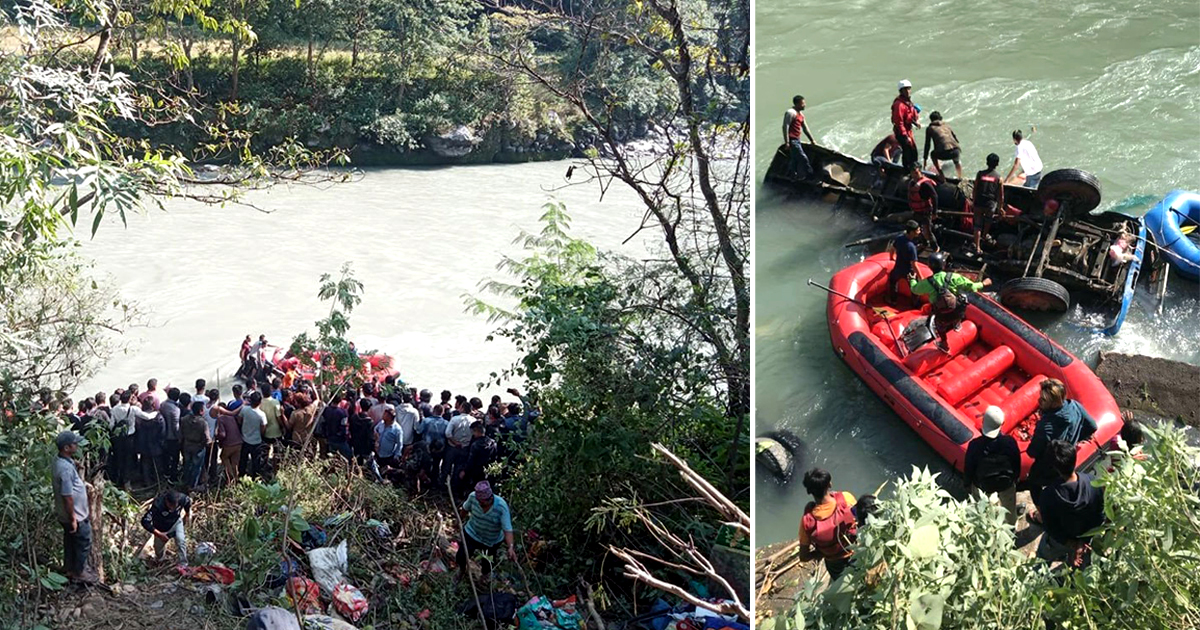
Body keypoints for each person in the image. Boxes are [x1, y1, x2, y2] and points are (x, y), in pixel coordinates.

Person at [1026, 378, 1098, 502]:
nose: (1039, 401)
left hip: (1050, 466)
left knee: (1033, 483)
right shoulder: (1075, 406)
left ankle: (1041, 510)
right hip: (1067, 457)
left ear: (1054, 403)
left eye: (1043, 399)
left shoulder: (1046, 426)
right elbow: (1092, 426)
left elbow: (1033, 452)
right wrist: (1078, 437)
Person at [1035, 440, 1105, 567]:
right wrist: (1082, 542)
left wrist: (1072, 544)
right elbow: (1099, 515)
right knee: (1081, 566)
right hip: (1084, 537)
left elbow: (1050, 527)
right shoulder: (1094, 483)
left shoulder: (1048, 495)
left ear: (1055, 467)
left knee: (1041, 561)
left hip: (1059, 541)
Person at [909, 252, 991, 352]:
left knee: (939, 326)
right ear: (943, 265)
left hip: (942, 315)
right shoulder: (954, 277)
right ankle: (957, 324)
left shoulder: (927, 283)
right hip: (958, 311)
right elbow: (972, 287)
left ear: (929, 266)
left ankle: (944, 343)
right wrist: (983, 283)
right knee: (961, 300)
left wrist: (912, 280)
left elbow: (915, 289)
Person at [963, 406, 1022, 526]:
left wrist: (967, 484)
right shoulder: (1010, 442)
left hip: (983, 485)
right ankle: (1011, 525)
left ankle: (982, 524)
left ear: (983, 422)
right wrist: (1015, 478)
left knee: (979, 506)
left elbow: (969, 468)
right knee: (1009, 507)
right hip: (1006, 483)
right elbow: (1016, 462)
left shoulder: (975, 445)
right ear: (1002, 424)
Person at [797, 468, 857, 579]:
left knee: (842, 584)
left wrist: (824, 552)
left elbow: (803, 557)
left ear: (809, 491)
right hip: (856, 551)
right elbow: (859, 520)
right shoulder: (846, 499)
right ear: (829, 484)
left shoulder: (807, 521)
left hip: (834, 563)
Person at [456, 481, 517, 580]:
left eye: (483, 502)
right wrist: (459, 521)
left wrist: (510, 547)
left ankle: (484, 578)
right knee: (461, 556)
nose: (480, 504)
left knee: (487, 564)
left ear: (490, 498)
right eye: (479, 501)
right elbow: (465, 509)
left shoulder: (501, 506)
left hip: (491, 540)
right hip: (472, 532)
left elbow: (507, 529)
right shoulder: (472, 497)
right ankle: (461, 571)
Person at [53, 431, 92, 582]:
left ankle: (69, 568)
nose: (77, 446)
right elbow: (67, 496)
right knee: (83, 542)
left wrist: (74, 463)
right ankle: (79, 572)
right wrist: (73, 518)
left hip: (64, 514)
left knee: (70, 542)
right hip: (75, 515)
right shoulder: (65, 469)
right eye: (74, 444)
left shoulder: (60, 461)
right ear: (66, 448)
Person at [141, 490, 192, 566]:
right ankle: (161, 560)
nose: (172, 509)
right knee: (158, 550)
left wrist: (187, 514)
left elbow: (188, 502)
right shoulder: (157, 505)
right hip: (161, 529)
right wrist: (159, 534)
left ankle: (183, 564)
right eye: (171, 506)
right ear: (166, 501)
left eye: (175, 506)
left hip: (176, 523)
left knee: (181, 541)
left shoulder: (182, 498)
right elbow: (145, 521)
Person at [972, 153, 1006, 253]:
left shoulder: (980, 174)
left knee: (977, 225)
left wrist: (974, 202)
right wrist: (1000, 208)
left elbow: (975, 189)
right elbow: (1001, 196)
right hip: (990, 205)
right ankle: (984, 235)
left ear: (987, 162)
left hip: (979, 203)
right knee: (988, 220)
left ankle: (977, 247)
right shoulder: (999, 178)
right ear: (997, 164)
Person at [887, 221, 923, 304]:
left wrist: (891, 258)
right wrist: (921, 277)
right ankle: (916, 304)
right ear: (911, 232)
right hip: (909, 271)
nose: (919, 231)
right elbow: (914, 264)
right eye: (917, 230)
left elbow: (892, 249)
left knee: (893, 281)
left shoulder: (899, 238)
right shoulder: (911, 247)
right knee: (914, 288)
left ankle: (893, 301)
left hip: (898, 268)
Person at [906, 165, 940, 251]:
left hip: (926, 211)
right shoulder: (911, 183)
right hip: (916, 211)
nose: (915, 175)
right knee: (918, 230)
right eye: (913, 173)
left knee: (927, 231)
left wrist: (935, 212)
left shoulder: (925, 184)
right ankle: (924, 244)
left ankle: (935, 247)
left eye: (916, 173)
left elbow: (934, 196)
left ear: (920, 172)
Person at [180, 400, 211, 491]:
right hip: (198, 447)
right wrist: (209, 442)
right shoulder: (203, 422)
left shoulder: (184, 419)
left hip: (187, 445)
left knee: (187, 464)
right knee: (196, 467)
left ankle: (186, 482)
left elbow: (181, 432)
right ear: (201, 411)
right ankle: (193, 486)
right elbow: (207, 438)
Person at [783, 95, 816, 180]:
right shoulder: (791, 113)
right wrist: (787, 142)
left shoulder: (801, 115)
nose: (804, 105)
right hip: (792, 140)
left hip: (797, 140)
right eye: (802, 103)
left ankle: (792, 176)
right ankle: (810, 175)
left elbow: (805, 128)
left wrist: (812, 140)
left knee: (794, 160)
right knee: (803, 157)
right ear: (797, 104)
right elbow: (785, 127)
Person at [922, 111, 962, 179]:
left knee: (932, 154)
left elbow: (927, 145)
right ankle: (960, 177)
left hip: (943, 152)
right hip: (956, 150)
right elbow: (956, 139)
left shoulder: (930, 128)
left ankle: (941, 175)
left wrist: (925, 160)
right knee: (956, 162)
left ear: (931, 120)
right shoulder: (947, 126)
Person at [136, 397, 166, 488]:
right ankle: (158, 482)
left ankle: (147, 482)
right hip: (156, 445)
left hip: (144, 445)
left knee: (146, 464)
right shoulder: (159, 417)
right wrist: (162, 444)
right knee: (158, 465)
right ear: (153, 405)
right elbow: (162, 433)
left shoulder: (139, 417)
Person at [891, 80, 921, 169]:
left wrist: (916, 122)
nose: (907, 91)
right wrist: (905, 136)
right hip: (902, 132)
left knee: (913, 152)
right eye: (905, 89)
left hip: (908, 130)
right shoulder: (899, 105)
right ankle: (908, 170)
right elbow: (899, 122)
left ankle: (913, 170)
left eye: (908, 89)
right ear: (901, 91)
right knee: (908, 152)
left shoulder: (908, 102)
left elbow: (911, 115)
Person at [238, 391, 268, 478]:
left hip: (244, 439)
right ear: (260, 402)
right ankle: (255, 477)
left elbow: (239, 420)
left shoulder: (244, 409)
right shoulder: (261, 415)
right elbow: (263, 428)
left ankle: (241, 476)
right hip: (256, 441)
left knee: (243, 460)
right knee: (256, 461)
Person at [215, 400, 244, 485]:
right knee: (235, 463)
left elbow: (222, 434)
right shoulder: (232, 417)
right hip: (239, 442)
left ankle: (230, 478)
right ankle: (236, 479)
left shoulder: (220, 419)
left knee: (223, 457)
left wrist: (217, 437)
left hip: (229, 444)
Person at [160, 388, 182, 482]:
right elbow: (175, 426)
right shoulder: (175, 409)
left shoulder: (162, 404)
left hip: (163, 435)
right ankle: (173, 477)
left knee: (166, 456)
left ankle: (166, 473)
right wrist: (179, 437)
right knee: (175, 458)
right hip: (172, 437)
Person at [259, 383, 284, 459]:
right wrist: (282, 427)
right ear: (271, 391)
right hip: (276, 431)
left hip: (265, 431)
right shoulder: (275, 402)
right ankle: (275, 464)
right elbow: (278, 417)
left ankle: (265, 463)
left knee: (265, 451)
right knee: (276, 452)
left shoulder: (259, 403)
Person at [376, 405, 403, 470]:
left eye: (385, 415)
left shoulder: (397, 429)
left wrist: (396, 456)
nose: (383, 416)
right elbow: (375, 430)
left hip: (388, 456)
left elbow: (399, 444)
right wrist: (376, 438)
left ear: (389, 417)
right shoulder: (381, 423)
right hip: (378, 453)